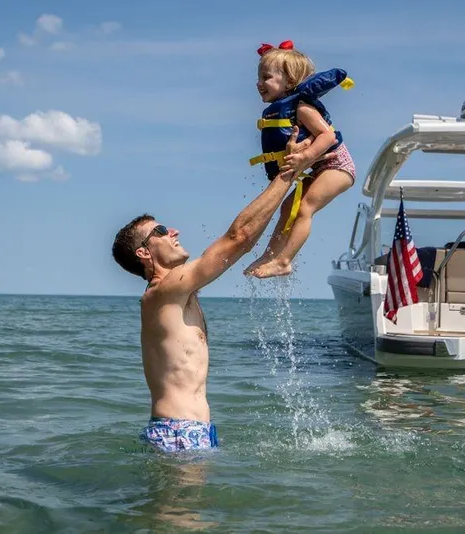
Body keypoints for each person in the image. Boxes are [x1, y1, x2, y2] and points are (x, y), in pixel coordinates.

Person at [111, 127, 317, 453]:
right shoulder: (163, 291)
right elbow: (239, 238)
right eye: (161, 231)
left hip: (192, 431)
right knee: (180, 508)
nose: (174, 230)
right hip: (179, 431)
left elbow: (243, 239)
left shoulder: (176, 293)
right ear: (144, 253)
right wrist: (288, 173)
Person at [244, 40, 356, 279]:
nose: (259, 83)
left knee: (305, 208)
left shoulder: (303, 108)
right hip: (320, 167)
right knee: (288, 208)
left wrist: (304, 156)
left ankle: (284, 261)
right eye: (259, 78)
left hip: (338, 166)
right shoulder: (284, 108)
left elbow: (328, 136)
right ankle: (270, 254)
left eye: (266, 77)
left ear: (290, 81)